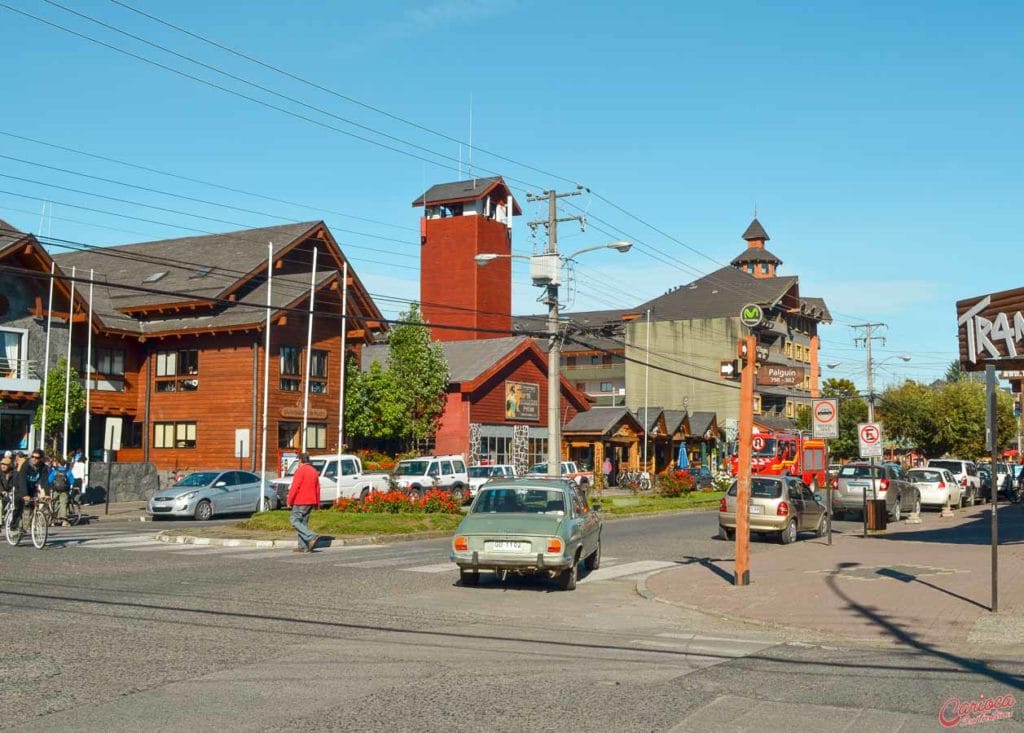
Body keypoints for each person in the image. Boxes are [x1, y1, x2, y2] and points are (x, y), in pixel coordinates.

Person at [286, 453, 321, 553]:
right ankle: (303, 546)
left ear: (301, 460)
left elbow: (295, 486)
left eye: (298, 461)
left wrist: (289, 500)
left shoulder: (300, 470)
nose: (298, 463)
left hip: (300, 500)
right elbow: (317, 488)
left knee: (294, 520)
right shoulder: (314, 471)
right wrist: (317, 503)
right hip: (311, 501)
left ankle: (311, 536)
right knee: (303, 523)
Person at [11, 450, 48, 534]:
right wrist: (24, 494)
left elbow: (45, 481)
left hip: (31, 487)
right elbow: (22, 480)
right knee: (19, 506)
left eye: (37, 457)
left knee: (32, 506)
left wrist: (47, 494)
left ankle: (25, 526)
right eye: (33, 457)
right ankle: (13, 526)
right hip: (19, 486)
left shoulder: (43, 467)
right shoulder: (26, 465)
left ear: (41, 459)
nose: (34, 459)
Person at [48, 458, 75, 526]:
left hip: (56, 490)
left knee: (55, 504)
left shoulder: (55, 471)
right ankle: (64, 522)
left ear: (59, 463)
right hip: (64, 491)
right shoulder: (67, 471)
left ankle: (53, 521)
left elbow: (49, 480)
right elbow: (72, 481)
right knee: (63, 504)